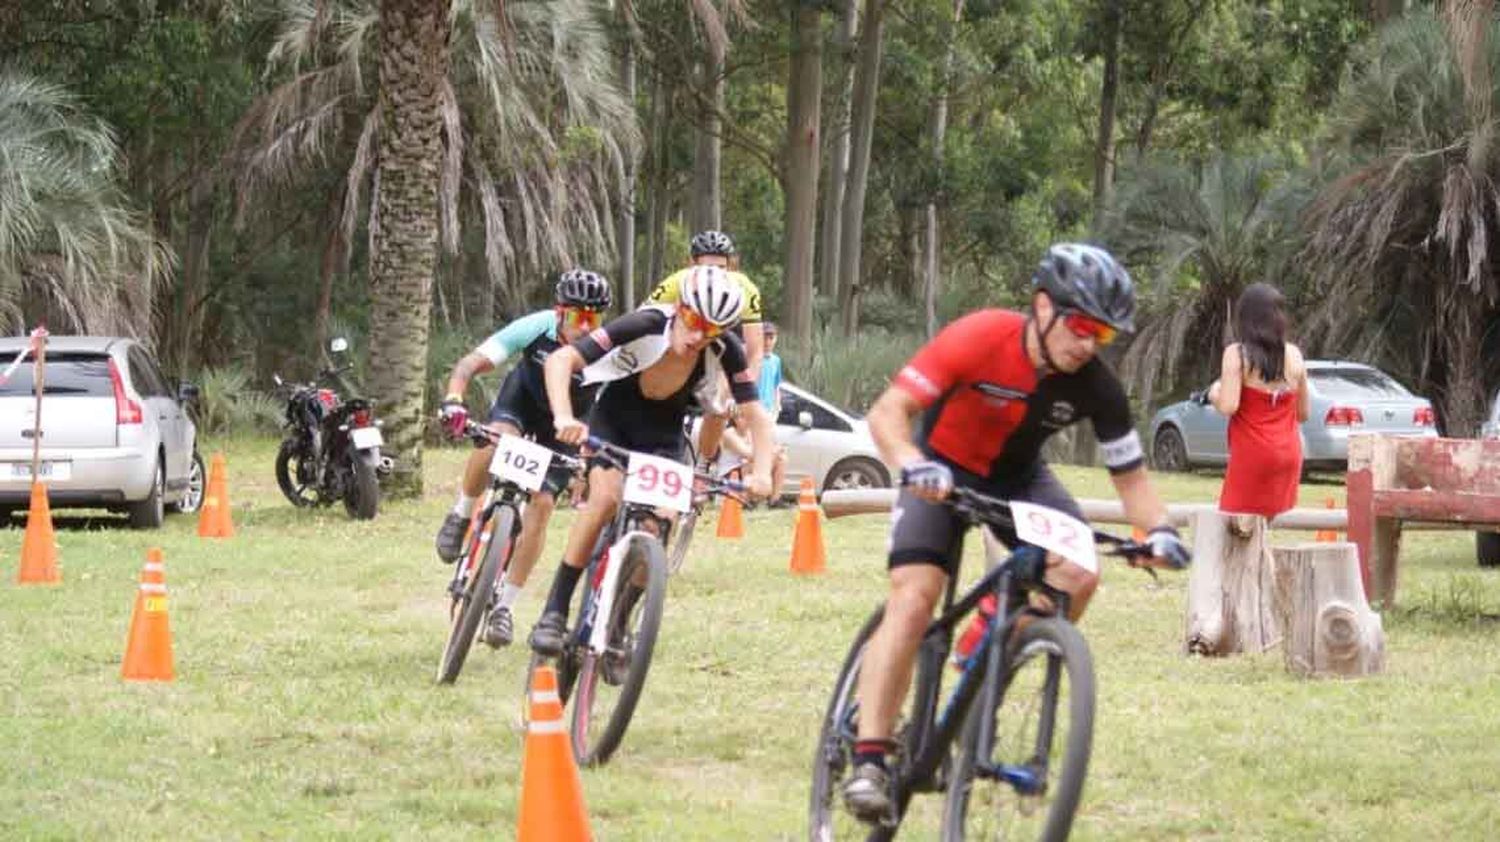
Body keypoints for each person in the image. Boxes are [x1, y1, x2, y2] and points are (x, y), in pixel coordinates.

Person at [841, 243, 1193, 822]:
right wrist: (911, 465)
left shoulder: (1096, 387)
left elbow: (1131, 479)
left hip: (1018, 480)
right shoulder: (981, 336)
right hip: (939, 471)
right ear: (1042, 307)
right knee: (916, 598)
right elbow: (889, 412)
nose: (1087, 344)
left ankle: (986, 661)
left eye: (1101, 336)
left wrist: (1158, 533)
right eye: (1080, 326)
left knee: (1079, 574)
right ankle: (871, 756)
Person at [528, 265, 777, 658]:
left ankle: (619, 628)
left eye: (712, 330)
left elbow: (756, 415)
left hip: (662, 434)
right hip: (614, 420)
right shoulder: (644, 323)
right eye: (694, 321)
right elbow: (562, 361)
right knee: (605, 500)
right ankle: (555, 609)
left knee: (659, 521)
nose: (699, 336)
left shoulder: (725, 349)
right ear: (679, 308)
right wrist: (563, 416)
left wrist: (761, 471)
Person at [432, 269, 612, 648]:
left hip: (566, 429)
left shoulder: (606, 351)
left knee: (543, 503)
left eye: (592, 319)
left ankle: (505, 608)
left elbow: (613, 413)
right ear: (557, 312)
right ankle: (462, 513)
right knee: (494, 439)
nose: (583, 326)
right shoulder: (536, 326)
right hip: (522, 406)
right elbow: (471, 363)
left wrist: (595, 459)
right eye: (575, 316)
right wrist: (454, 399)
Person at [645, 230, 764, 466]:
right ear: (691, 264)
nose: (712, 274)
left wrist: (742, 394)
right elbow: (645, 325)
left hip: (715, 353)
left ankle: (709, 458)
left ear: (731, 266)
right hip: (678, 351)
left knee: (720, 403)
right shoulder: (675, 283)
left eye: (720, 268)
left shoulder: (746, 289)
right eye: (704, 267)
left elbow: (755, 350)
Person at [1209, 282, 1309, 517]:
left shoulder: (1237, 354)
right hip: (1288, 454)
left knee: (1233, 527)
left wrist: (1214, 393)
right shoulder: (1294, 354)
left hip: (1253, 454)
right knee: (1263, 525)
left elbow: (1228, 405)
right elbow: (1303, 413)